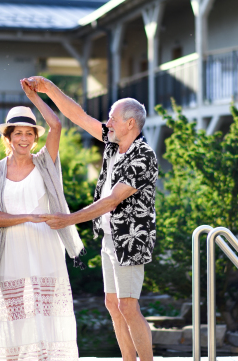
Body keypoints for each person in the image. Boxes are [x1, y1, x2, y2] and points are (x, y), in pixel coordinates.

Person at [26, 76, 158, 361]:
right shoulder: (113, 143)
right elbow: (78, 115)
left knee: (128, 306)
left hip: (130, 240)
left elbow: (111, 201)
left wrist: (68, 219)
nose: (107, 123)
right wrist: (48, 88)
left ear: (130, 124)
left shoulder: (142, 156)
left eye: (112, 119)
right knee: (113, 303)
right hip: (111, 237)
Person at [0, 78, 84, 361]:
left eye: (29, 133)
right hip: (10, 252)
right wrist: (30, 216)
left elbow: (57, 125)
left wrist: (36, 97)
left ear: (35, 137)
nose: (24, 139)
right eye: (18, 133)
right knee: (13, 318)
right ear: (8, 137)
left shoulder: (45, 163)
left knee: (44, 316)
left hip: (45, 250)